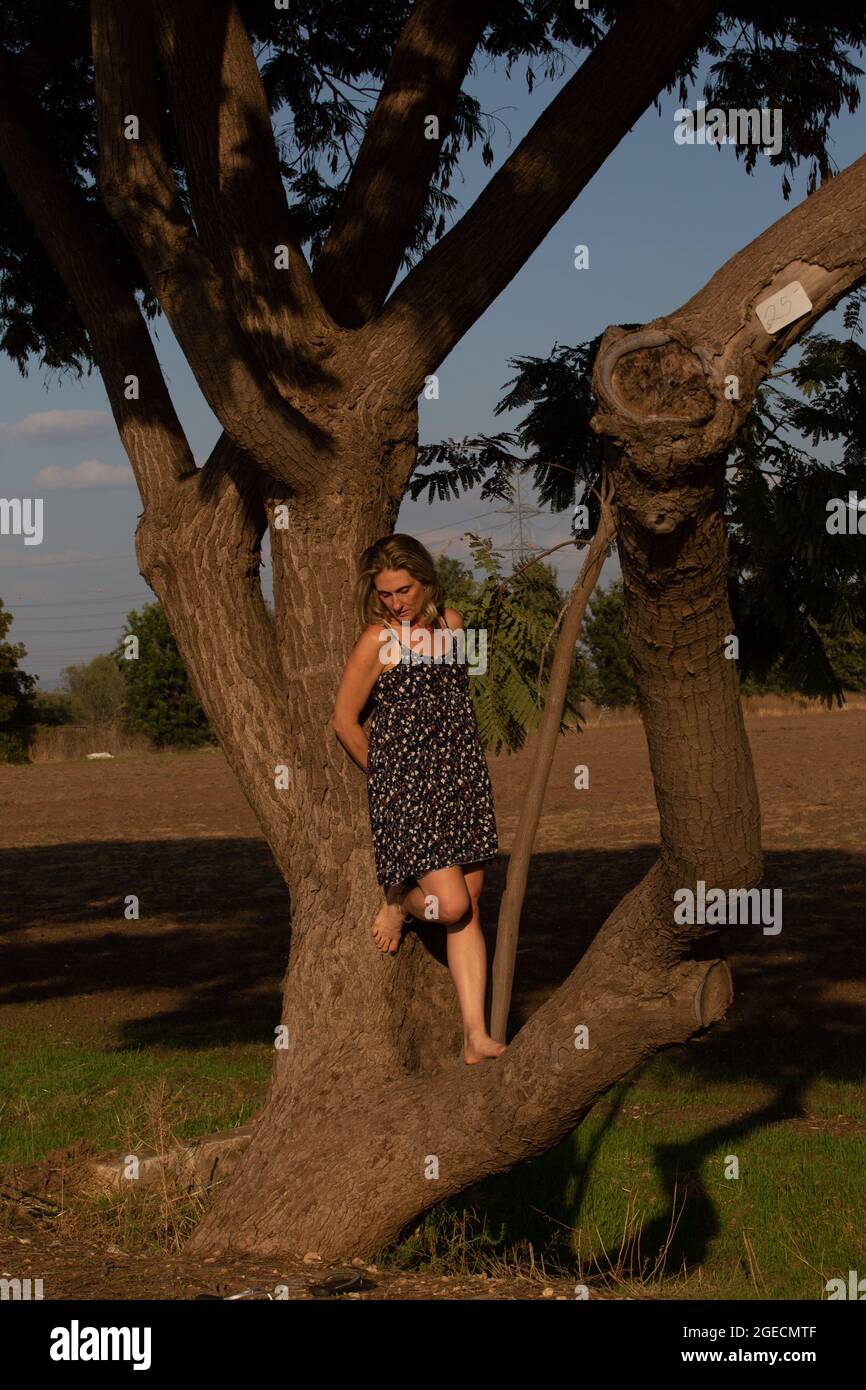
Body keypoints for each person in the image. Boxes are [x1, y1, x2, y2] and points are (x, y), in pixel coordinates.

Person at [331, 533, 507, 1064]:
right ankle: (398, 901)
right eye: (385, 594)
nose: (396, 602)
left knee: (469, 908)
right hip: (409, 793)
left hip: (462, 783)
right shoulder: (376, 641)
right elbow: (343, 721)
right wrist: (388, 777)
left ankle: (475, 1035)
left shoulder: (453, 626)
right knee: (447, 903)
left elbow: (458, 704)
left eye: (403, 590)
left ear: (425, 581)